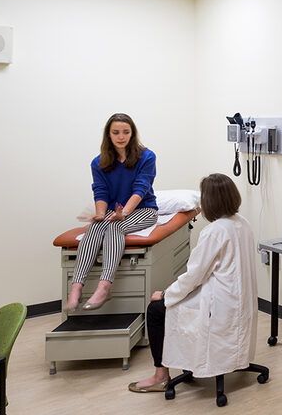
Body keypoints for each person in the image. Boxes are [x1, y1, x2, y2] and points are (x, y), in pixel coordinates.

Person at [129, 173, 258, 392]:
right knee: (172, 297)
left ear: (209, 202)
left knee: (156, 309)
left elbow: (194, 276)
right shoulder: (242, 223)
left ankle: (161, 376)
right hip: (239, 303)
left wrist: (166, 294)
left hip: (218, 306)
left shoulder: (214, 232)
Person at [65, 113, 159, 312]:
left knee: (115, 226)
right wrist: (100, 214)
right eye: (115, 132)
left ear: (132, 133)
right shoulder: (98, 162)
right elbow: (101, 191)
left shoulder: (147, 157)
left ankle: (105, 285)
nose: (121, 136)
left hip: (143, 210)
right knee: (96, 226)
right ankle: (76, 286)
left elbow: (140, 189)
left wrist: (123, 213)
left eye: (126, 132)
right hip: (113, 210)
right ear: (108, 135)